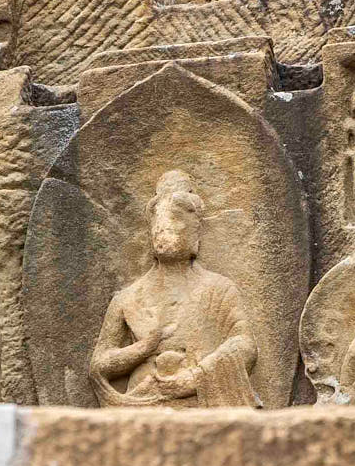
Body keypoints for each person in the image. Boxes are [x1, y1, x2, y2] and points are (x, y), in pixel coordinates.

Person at [89, 170, 259, 408]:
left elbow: (245, 345)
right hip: (142, 402)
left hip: (201, 403)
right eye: (160, 226)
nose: (166, 232)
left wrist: (195, 377)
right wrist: (145, 346)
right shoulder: (128, 298)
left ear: (196, 232)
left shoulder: (219, 289)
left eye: (177, 223)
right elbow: (98, 366)